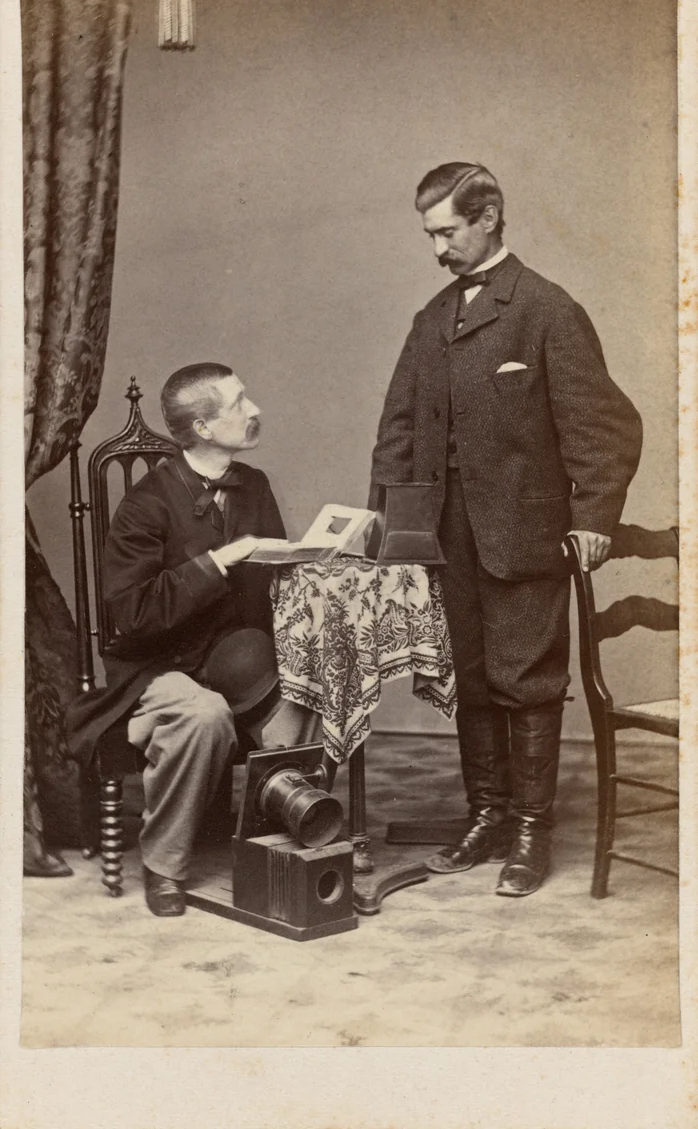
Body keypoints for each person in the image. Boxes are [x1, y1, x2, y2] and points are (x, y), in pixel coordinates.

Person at [369, 162, 642, 897]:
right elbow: (397, 432)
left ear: (488, 217)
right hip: (443, 537)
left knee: (527, 679)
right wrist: (390, 528)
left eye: (448, 232)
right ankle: (486, 817)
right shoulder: (431, 321)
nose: (438, 250)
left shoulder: (547, 309)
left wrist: (594, 519)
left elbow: (606, 429)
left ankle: (530, 831)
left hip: (525, 534)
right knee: (470, 676)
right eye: (429, 236)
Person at [68, 363, 318, 916]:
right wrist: (216, 563)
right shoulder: (144, 504)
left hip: (232, 655)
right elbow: (132, 614)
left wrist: (313, 562)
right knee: (204, 716)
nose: (254, 410)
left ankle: (281, 846)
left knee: (307, 694)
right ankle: (165, 866)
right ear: (203, 428)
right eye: (239, 403)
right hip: (155, 666)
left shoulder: (254, 484)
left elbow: (272, 584)